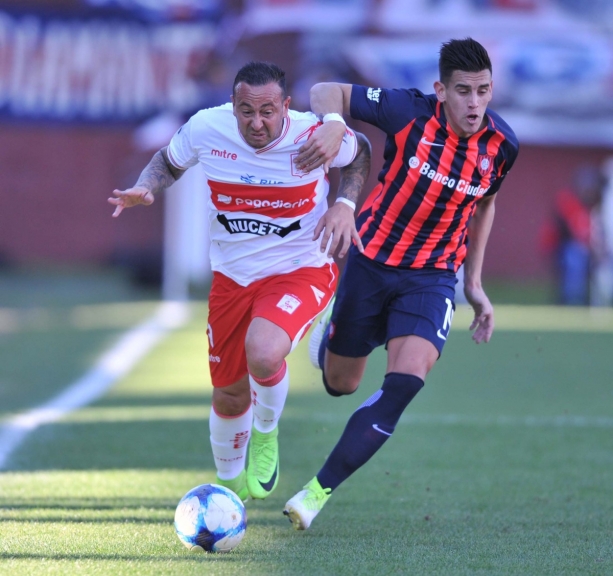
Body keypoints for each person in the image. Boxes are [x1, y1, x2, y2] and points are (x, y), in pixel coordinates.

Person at [283, 38, 519, 529]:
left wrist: (473, 283)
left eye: (483, 91)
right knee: (340, 384)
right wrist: (333, 123)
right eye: (463, 91)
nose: (474, 103)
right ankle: (332, 333)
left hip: (433, 277)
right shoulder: (407, 111)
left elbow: (486, 204)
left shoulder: (502, 146)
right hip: (371, 262)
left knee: (405, 382)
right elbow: (325, 90)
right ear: (440, 90)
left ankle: (316, 492)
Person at [108, 61, 371, 501]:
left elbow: (360, 151)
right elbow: (169, 161)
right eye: (246, 111)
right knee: (229, 395)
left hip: (299, 269)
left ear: (285, 106)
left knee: (263, 352)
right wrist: (147, 185)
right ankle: (228, 490)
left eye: (267, 111)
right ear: (232, 106)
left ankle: (266, 436)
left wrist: (344, 204)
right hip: (232, 277)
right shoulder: (207, 128)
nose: (257, 122)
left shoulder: (312, 134)